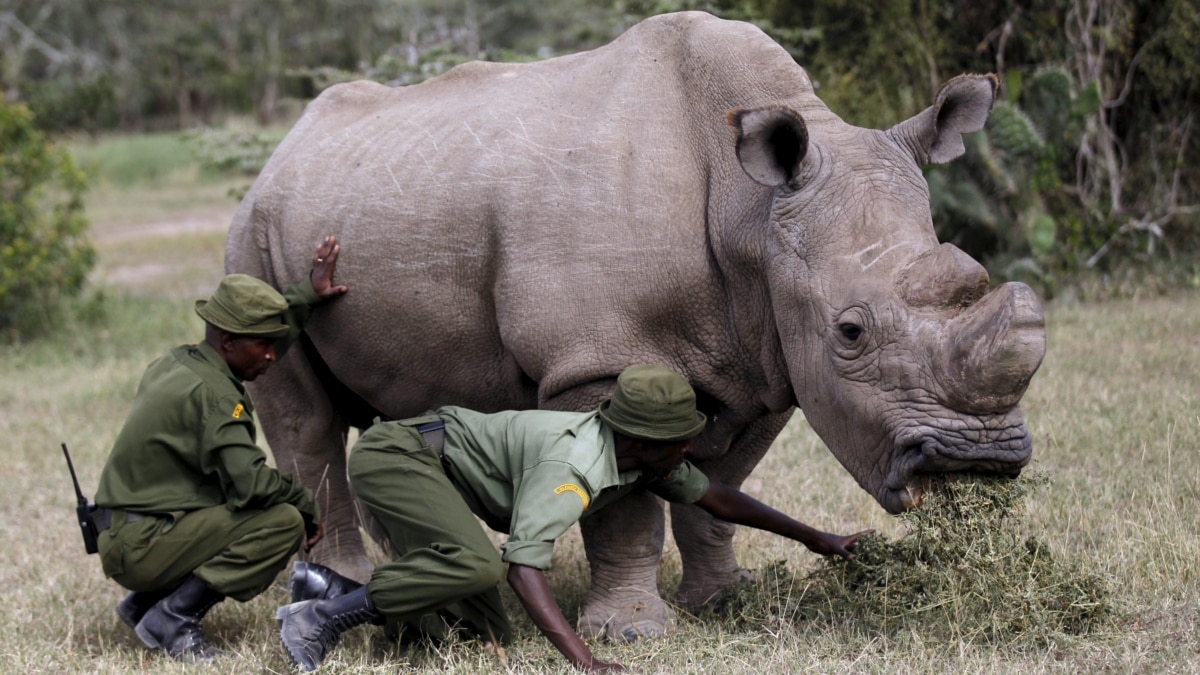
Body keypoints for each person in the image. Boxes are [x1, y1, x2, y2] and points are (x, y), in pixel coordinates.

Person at [277, 364, 870, 672]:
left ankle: (327, 588)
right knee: (478, 567)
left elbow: (715, 497)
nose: (688, 449)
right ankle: (321, 619)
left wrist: (818, 538)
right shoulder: (576, 467)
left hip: (441, 468)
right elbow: (522, 569)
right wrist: (584, 662)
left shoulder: (643, 460)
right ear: (642, 439)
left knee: (482, 639)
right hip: (401, 456)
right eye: (678, 441)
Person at [93, 236, 349, 662]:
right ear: (228, 342)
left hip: (126, 532)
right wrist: (305, 503)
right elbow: (250, 485)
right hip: (143, 545)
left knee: (225, 500)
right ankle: (172, 616)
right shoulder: (217, 398)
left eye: (274, 342)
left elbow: (258, 341)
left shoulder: (180, 362)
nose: (271, 356)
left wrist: (306, 295)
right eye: (262, 346)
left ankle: (141, 604)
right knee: (282, 521)